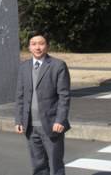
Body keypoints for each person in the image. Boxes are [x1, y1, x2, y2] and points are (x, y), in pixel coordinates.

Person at [15, 32, 71, 175]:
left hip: (52, 125)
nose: (37, 47)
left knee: (55, 164)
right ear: (29, 47)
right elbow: (20, 96)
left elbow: (64, 96)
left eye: (41, 43)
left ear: (47, 46)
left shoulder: (58, 65)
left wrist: (60, 120)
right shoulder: (24, 67)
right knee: (38, 166)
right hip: (30, 126)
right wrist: (19, 120)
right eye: (34, 44)